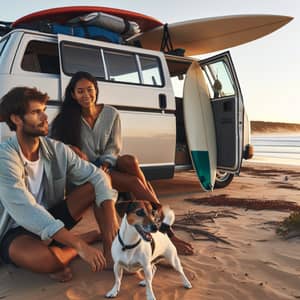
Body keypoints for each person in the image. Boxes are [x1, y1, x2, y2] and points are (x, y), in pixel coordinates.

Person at [51, 71, 194, 255]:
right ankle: (164, 229)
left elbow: (114, 147)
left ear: (96, 90)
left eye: (89, 90)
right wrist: (71, 149)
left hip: (106, 166)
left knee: (130, 162)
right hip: (84, 173)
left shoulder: (111, 114)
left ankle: (156, 223)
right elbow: (53, 146)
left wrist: (107, 163)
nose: (86, 95)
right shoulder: (66, 120)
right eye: (80, 91)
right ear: (73, 94)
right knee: (134, 182)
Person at [0, 87, 119, 282]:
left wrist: (111, 221)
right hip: (16, 229)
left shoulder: (57, 150)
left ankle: (110, 248)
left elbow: (99, 176)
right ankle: (81, 242)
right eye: (36, 112)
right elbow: (26, 210)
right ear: (16, 119)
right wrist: (80, 246)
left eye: (44, 110)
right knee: (50, 262)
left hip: (50, 217)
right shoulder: (5, 156)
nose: (45, 117)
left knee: (93, 186)